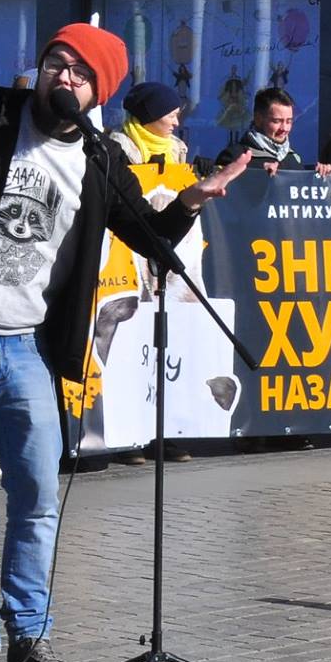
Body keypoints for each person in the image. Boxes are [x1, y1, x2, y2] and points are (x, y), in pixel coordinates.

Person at [0, 23, 249, 662]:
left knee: (38, 497)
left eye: (79, 72)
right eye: (55, 64)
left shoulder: (97, 158)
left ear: (98, 92)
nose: (63, 77)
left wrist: (190, 199)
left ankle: (29, 634)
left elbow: (149, 237)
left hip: (31, 348)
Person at [105, 79, 202, 465]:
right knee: (132, 346)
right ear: (150, 116)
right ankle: (128, 434)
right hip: (127, 262)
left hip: (168, 266)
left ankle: (164, 434)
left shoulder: (178, 152)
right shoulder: (116, 149)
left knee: (168, 349)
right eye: (171, 113)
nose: (177, 121)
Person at [218, 87, 331, 176]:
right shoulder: (234, 156)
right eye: (277, 121)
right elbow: (222, 199)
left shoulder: (293, 159)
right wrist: (257, 175)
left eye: (289, 121)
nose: (284, 128)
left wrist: (320, 178)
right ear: (258, 119)